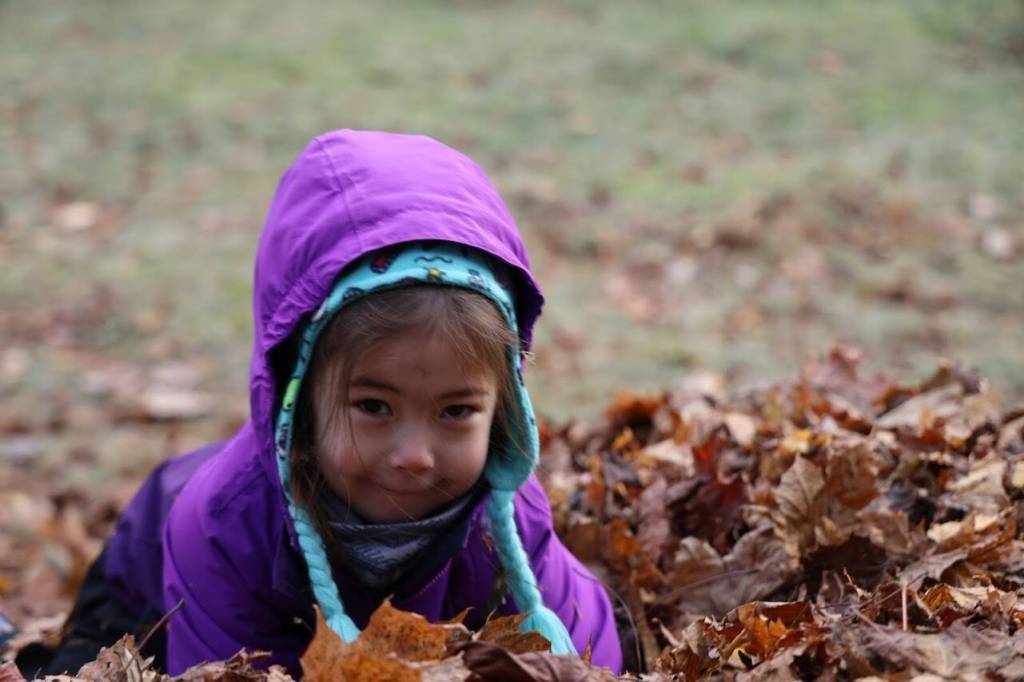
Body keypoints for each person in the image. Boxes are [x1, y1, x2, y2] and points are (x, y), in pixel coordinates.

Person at [20, 130, 623, 677]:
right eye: (375, 407)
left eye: (456, 412)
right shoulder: (225, 531)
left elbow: (587, 655)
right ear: (301, 399)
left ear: (504, 409)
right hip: (149, 590)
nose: (414, 456)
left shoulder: (509, 521)